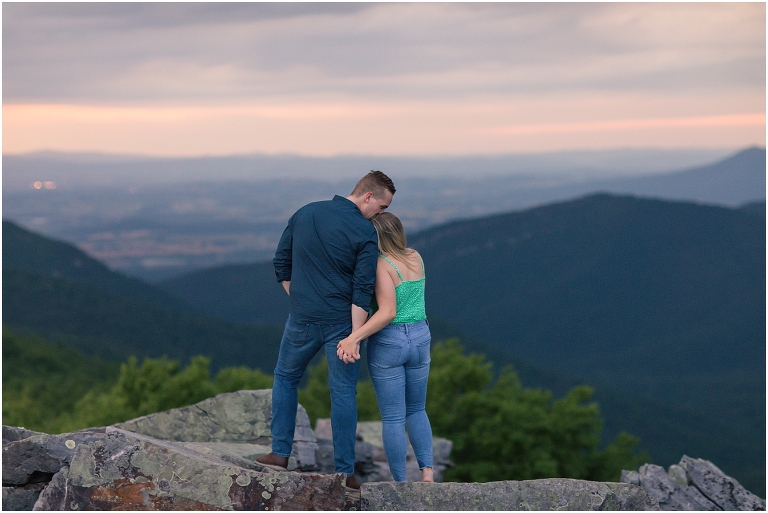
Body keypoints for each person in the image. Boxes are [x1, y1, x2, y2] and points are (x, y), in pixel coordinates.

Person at [256, 171, 396, 493]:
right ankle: (345, 473)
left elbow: (281, 262)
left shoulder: (305, 213)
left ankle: (279, 454)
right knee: (343, 394)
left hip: (302, 319)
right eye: (382, 206)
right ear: (368, 196)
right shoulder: (363, 231)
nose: (382, 213)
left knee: (286, 378)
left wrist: (302, 300)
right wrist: (354, 337)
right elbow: (362, 290)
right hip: (342, 325)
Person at [336, 212, 434, 483]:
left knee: (392, 418)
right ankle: (427, 472)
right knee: (417, 409)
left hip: (390, 341)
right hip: (421, 335)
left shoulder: (381, 265)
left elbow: (387, 312)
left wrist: (354, 337)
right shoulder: (415, 256)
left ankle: (400, 483)